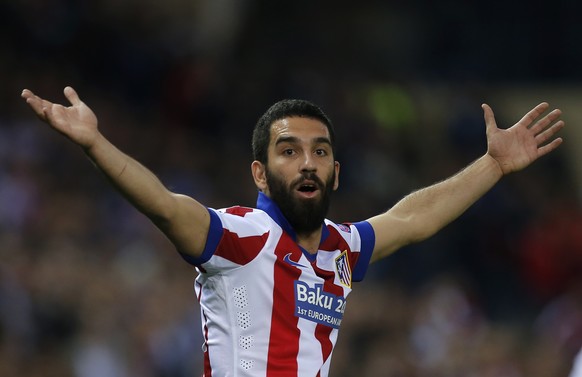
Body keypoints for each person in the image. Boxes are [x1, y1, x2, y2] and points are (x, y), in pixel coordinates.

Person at [21, 86, 564, 376]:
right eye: (289, 151)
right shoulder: (241, 236)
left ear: (335, 173)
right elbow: (163, 205)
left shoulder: (342, 247)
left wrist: (492, 166)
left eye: (320, 152)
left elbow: (412, 218)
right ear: (259, 172)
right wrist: (96, 144)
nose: (307, 163)